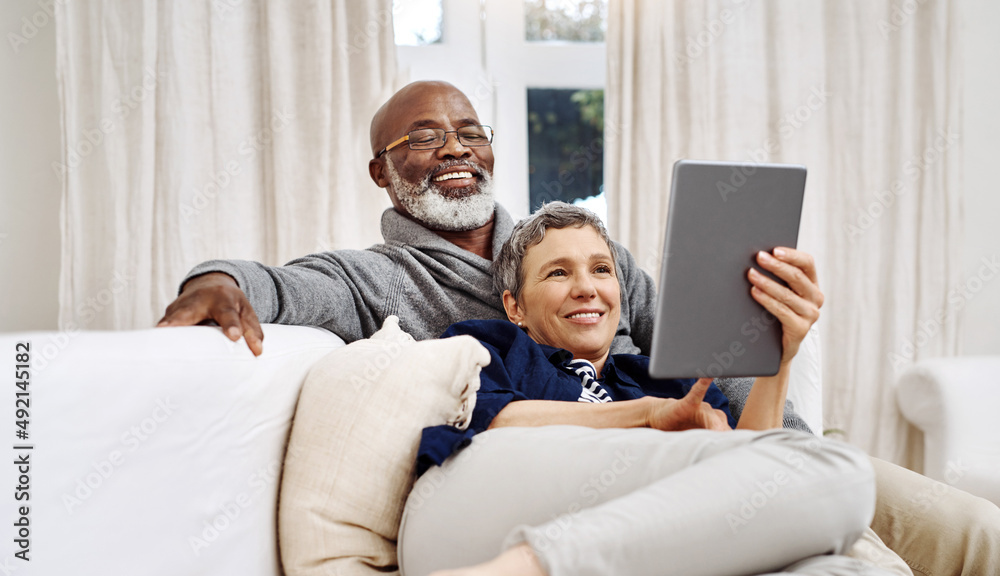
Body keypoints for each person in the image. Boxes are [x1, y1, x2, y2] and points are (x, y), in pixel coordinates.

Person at [157, 80, 999, 576]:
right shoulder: (383, 279)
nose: (453, 148)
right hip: (600, 476)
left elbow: (717, 362)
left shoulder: (589, 249)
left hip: (739, 448)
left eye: (468, 132)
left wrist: (779, 383)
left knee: (968, 533)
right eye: (421, 138)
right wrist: (219, 281)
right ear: (381, 171)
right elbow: (292, 286)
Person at [399, 202, 885, 576]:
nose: (587, 288)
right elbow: (493, 422)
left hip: (631, 544)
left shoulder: (665, 378)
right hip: (474, 519)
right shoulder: (492, 343)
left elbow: (753, 468)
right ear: (515, 306)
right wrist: (647, 416)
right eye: (558, 272)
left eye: (601, 269)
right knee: (842, 470)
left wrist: (779, 354)